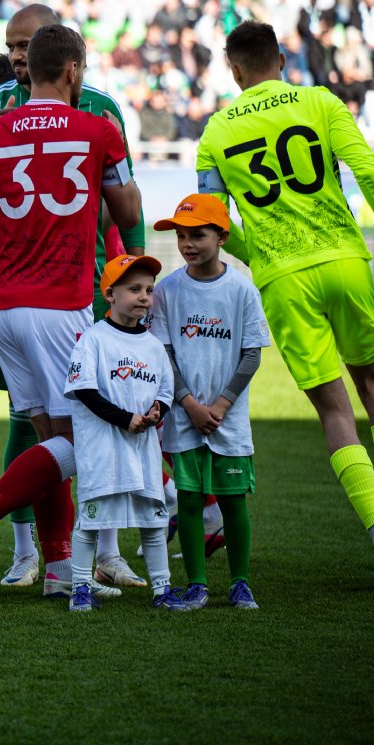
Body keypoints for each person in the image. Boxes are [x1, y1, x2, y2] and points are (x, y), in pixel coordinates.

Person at [197, 20, 374, 587]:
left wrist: (262, 256)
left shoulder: (215, 132)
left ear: (234, 70)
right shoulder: (321, 102)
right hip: (345, 261)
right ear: (281, 60)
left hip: (285, 281)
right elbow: (367, 169)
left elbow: (213, 220)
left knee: (334, 411)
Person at [0, 3, 148, 591]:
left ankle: (59, 569)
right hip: (60, 304)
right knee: (89, 437)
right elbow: (128, 211)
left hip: (3, 305)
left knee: (50, 436)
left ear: (27, 67)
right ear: (73, 70)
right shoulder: (97, 127)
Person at [150, 194, 270, 610]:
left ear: (222, 237)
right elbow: (164, 353)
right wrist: (189, 403)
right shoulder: (167, 290)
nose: (187, 244)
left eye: (197, 235)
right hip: (185, 417)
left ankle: (240, 583)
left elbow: (252, 354)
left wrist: (220, 405)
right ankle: (196, 584)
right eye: (181, 236)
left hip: (227, 419)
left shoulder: (242, 289)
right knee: (188, 498)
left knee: (233, 499)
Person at [64, 254, 189, 612]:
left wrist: (157, 410)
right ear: (110, 294)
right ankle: (80, 589)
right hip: (102, 451)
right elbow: (84, 390)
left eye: (148, 289)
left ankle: (162, 589)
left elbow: (165, 390)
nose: (144, 296)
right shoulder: (93, 339)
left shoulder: (153, 345)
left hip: (142, 451)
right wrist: (125, 419)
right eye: (134, 289)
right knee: (90, 520)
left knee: (154, 519)